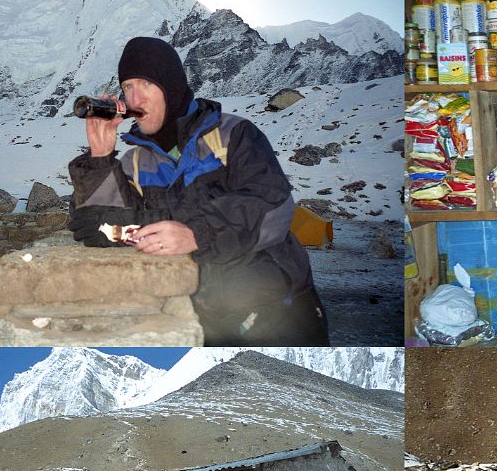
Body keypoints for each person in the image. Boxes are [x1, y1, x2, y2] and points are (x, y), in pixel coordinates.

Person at [67, 36, 329, 346]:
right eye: (127, 87)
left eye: (146, 84)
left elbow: (273, 206)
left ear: (171, 87)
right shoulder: (135, 163)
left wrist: (196, 233)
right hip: (201, 320)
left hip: (279, 313)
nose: (135, 98)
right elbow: (98, 229)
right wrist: (100, 159)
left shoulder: (233, 135)